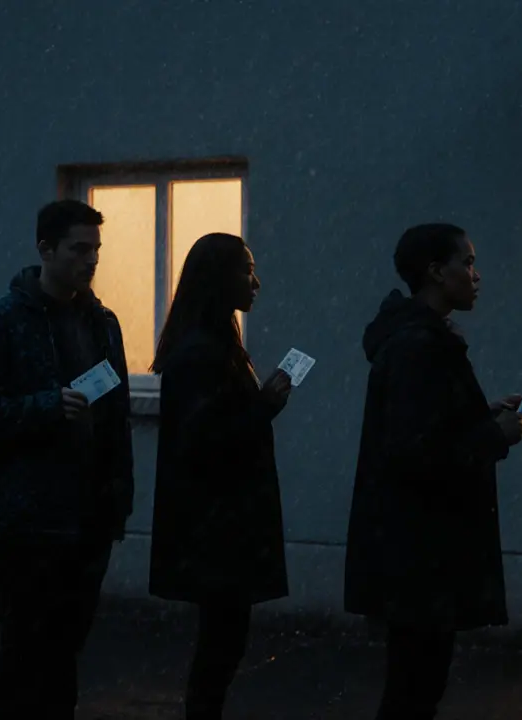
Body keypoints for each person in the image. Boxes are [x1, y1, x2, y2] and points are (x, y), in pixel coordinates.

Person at [0, 199, 134, 719]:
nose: (91, 260)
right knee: (26, 655)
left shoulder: (102, 322)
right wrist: (45, 407)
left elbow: (115, 417)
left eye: (96, 249)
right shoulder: (2, 322)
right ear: (45, 249)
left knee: (63, 654)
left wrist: (116, 500)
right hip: (28, 522)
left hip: (89, 518)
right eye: (79, 249)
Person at [344, 223, 522, 719]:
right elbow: (414, 451)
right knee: (415, 688)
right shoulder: (418, 346)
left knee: (416, 683)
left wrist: (478, 415)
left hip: (416, 551)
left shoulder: (420, 340)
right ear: (434, 272)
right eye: (466, 263)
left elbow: (425, 428)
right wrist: (493, 436)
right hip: (420, 552)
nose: (476, 274)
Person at [147, 233, 292, 720]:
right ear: (218, 278)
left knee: (223, 645)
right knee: (221, 648)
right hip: (219, 531)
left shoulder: (213, 345)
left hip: (219, 528)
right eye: (245, 270)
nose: (256, 282)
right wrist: (264, 407)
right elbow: (205, 441)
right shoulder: (202, 353)